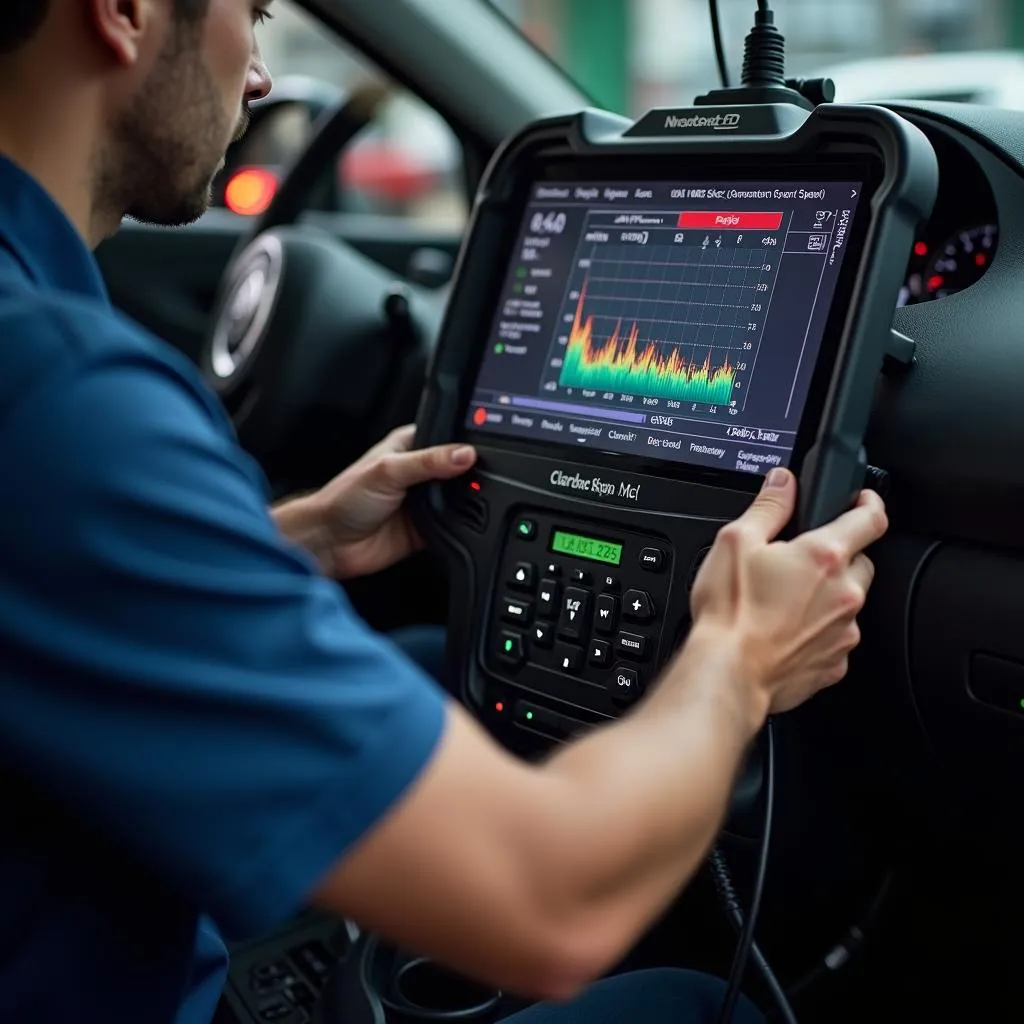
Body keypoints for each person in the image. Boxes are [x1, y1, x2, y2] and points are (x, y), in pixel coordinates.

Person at [0, 1, 888, 1022]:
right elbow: (547, 906)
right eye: (250, 15)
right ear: (123, 11)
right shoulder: (58, 400)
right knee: (703, 1007)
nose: (257, 74)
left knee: (428, 652)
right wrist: (739, 656)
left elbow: (61, 583)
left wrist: (285, 542)